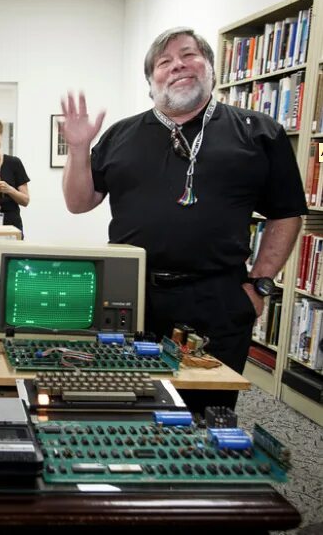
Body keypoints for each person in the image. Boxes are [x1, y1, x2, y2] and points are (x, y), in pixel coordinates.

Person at [60, 27, 306, 411]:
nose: (177, 66)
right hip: (132, 296)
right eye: (164, 62)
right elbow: (79, 202)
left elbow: (286, 213)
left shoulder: (259, 133)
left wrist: (259, 285)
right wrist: (78, 149)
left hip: (218, 299)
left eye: (188, 55)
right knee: (128, 404)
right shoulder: (121, 135)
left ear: (209, 67)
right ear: (151, 81)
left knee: (207, 414)